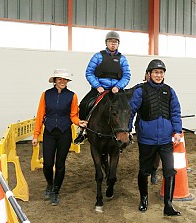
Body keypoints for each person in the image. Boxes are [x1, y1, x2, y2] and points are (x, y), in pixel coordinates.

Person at [129, 59, 182, 216]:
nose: (158, 75)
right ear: (149, 74)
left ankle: (168, 205)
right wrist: (127, 129)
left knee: (169, 171)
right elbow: (131, 111)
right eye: (155, 72)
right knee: (144, 170)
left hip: (166, 140)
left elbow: (175, 112)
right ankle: (143, 199)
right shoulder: (140, 91)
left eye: (161, 72)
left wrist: (177, 131)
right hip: (146, 139)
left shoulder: (169, 91)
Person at [32, 69, 87, 206]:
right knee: (48, 163)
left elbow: (73, 115)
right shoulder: (46, 95)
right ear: (55, 80)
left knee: (60, 164)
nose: (62, 82)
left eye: (65, 79)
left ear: (68, 81)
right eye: (60, 79)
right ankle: (50, 184)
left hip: (64, 133)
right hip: (49, 133)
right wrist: (35, 134)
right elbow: (40, 115)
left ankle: (56, 191)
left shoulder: (72, 96)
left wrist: (78, 122)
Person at [74, 30, 131, 144]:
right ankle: (83, 131)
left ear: (118, 44)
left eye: (115, 42)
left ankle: (127, 132)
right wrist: (97, 86)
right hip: (99, 89)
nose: (113, 44)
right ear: (106, 43)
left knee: (126, 108)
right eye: (110, 41)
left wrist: (118, 87)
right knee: (84, 104)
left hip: (116, 90)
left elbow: (126, 75)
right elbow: (89, 72)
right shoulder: (98, 56)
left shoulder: (122, 59)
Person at [133, 71, 161, 185]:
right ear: (146, 75)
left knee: (157, 151)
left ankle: (154, 170)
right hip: (143, 125)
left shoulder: (163, 89)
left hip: (158, 127)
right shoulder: (139, 89)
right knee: (144, 152)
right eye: (149, 74)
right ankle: (145, 170)